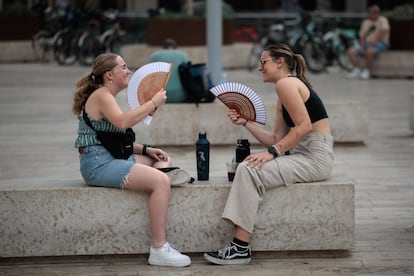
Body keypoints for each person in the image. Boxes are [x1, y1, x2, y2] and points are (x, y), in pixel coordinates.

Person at [204, 43, 334, 265]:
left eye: (263, 62)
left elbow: (303, 127)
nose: (259, 68)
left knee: (249, 169)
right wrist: (246, 122)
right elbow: (275, 140)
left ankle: (240, 248)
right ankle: (239, 246)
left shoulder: (286, 83)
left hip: (314, 157)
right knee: (249, 162)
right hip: (303, 154)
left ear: (279, 62)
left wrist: (273, 153)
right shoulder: (286, 88)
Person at [72, 53, 191, 267]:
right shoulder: (102, 95)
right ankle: (159, 248)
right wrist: (153, 102)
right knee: (160, 181)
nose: (128, 71)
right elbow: (122, 122)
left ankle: (161, 180)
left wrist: (146, 149)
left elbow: (110, 138)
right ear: (110, 74)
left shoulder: (104, 95)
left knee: (161, 160)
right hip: (98, 164)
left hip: (107, 156)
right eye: (124, 67)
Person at [347, 4, 390, 80]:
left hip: (381, 44)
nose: (374, 13)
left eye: (376, 12)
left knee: (370, 51)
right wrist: (363, 47)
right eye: (373, 12)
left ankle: (367, 71)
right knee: (351, 51)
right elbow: (362, 36)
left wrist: (376, 40)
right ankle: (356, 70)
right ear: (369, 13)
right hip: (367, 44)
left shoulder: (383, 20)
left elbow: (384, 30)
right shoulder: (366, 22)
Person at [149, 38, 190, 103]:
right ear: (176, 47)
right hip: (180, 95)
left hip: (159, 96)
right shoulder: (183, 55)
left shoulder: (154, 56)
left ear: (162, 47)